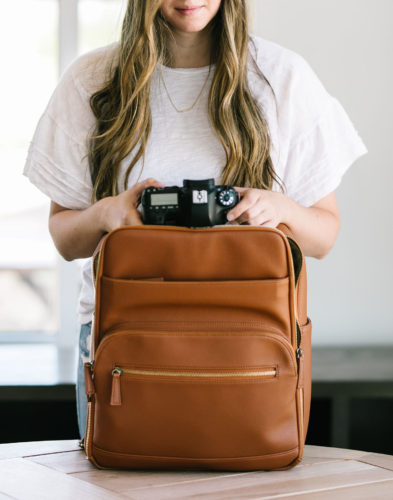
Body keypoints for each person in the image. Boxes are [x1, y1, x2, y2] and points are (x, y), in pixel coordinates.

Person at [23, 0, 367, 440]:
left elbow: (325, 234)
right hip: (122, 337)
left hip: (249, 337)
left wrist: (279, 209)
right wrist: (107, 214)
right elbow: (65, 238)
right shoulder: (91, 79)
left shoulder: (282, 77)